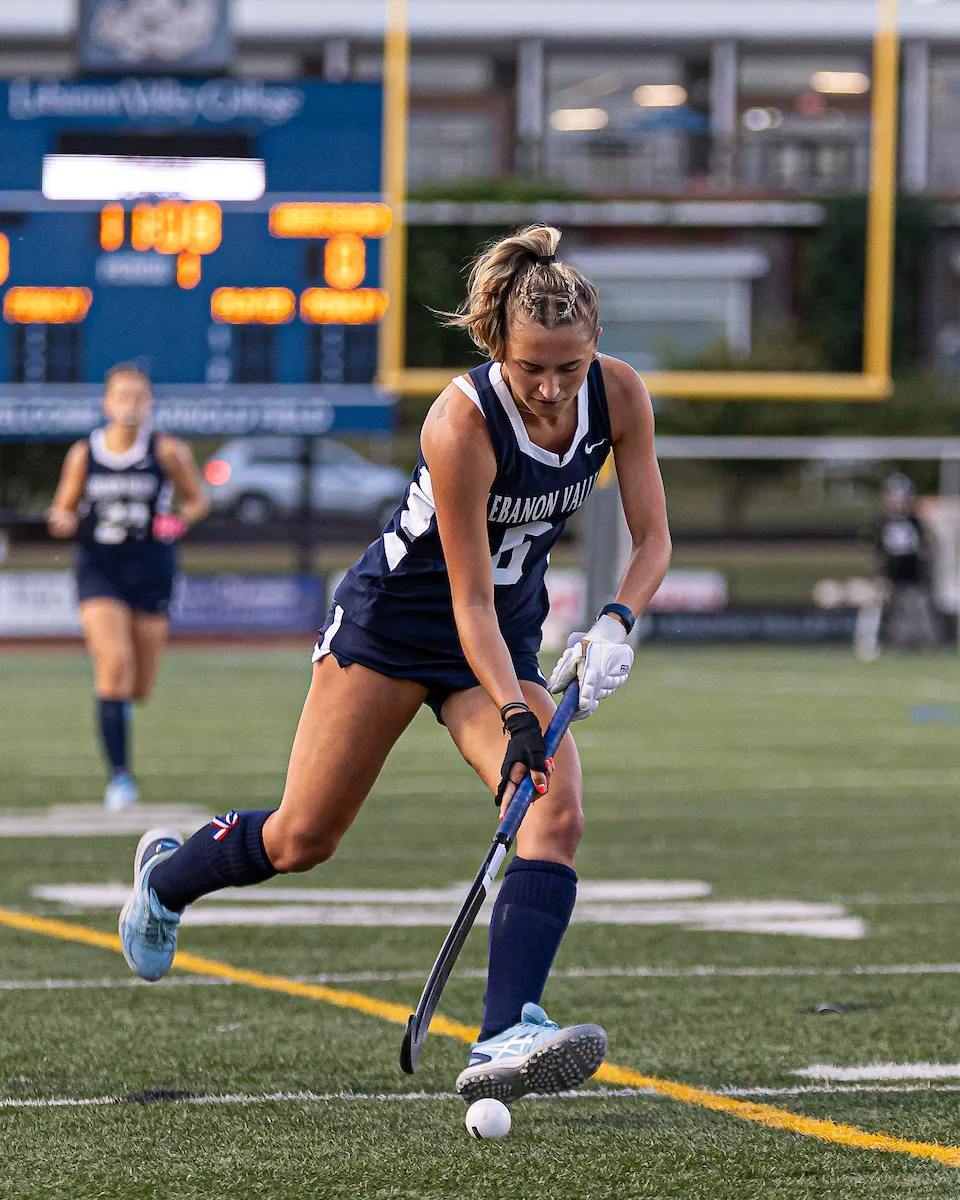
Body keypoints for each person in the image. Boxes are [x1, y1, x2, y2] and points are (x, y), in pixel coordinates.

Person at [119, 226, 671, 1102]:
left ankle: (504, 1031)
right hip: (397, 627)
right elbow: (467, 604)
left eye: (570, 366)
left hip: (500, 637)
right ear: (497, 344)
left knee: (553, 807)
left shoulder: (619, 396)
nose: (552, 388)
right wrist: (520, 719)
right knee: (304, 836)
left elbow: (653, 541)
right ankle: (167, 878)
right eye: (534, 366)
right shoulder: (462, 421)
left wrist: (615, 622)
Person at [48, 363, 209, 809]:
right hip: (99, 568)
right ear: (106, 403)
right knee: (114, 664)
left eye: (139, 396)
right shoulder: (86, 452)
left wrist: (178, 519)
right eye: (122, 395)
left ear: (150, 402)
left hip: (152, 568)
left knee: (139, 686)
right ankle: (120, 777)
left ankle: (119, 712)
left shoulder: (167, 450)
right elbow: (61, 508)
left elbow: (197, 500)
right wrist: (62, 520)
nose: (130, 404)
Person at [854, 472, 940, 660]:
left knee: (918, 607)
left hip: (912, 574)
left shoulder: (915, 522)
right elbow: (873, 547)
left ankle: (926, 645)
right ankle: (867, 644)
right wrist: (879, 572)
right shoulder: (881, 521)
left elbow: (925, 546)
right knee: (877, 606)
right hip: (888, 574)